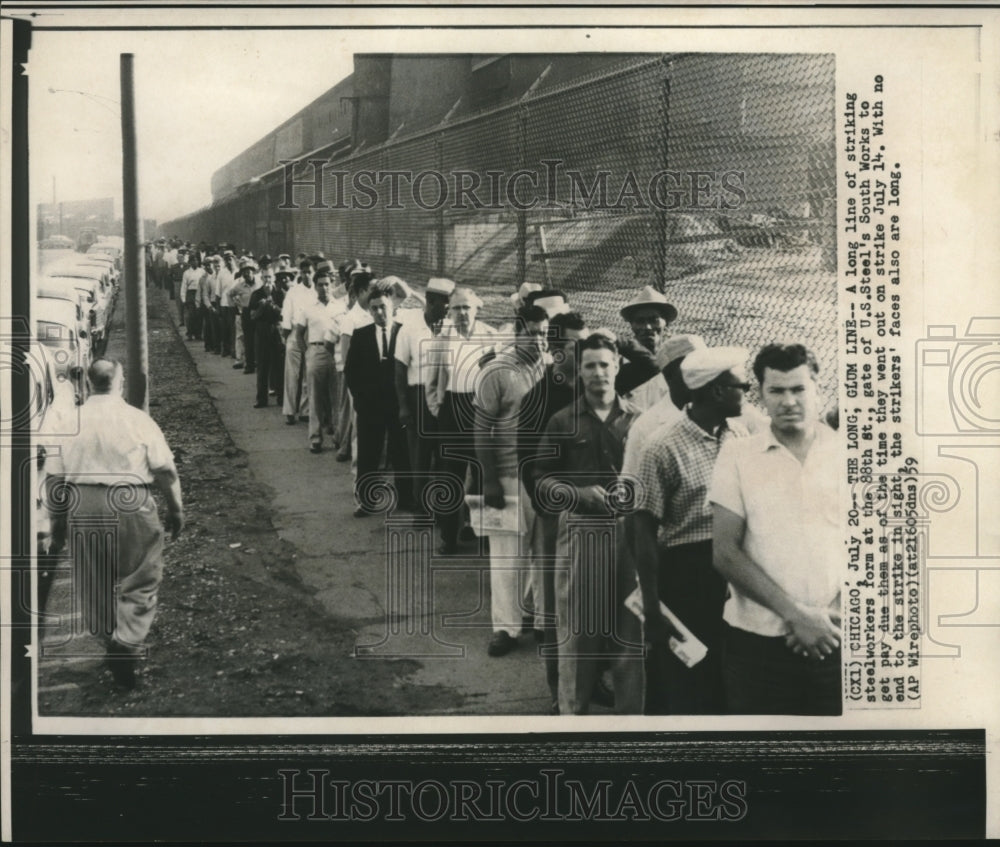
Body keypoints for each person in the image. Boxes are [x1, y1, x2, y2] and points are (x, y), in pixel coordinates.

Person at [710, 343, 841, 715]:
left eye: (798, 389)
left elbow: (877, 547)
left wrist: (828, 618)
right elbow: (725, 553)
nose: (788, 401)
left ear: (817, 388)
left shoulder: (851, 455)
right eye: (777, 391)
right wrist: (797, 616)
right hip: (758, 647)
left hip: (837, 637)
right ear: (762, 395)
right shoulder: (737, 455)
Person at [44, 359, 183, 690]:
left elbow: (53, 480)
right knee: (143, 574)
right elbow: (165, 470)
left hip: (83, 502)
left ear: (88, 384)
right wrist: (176, 509)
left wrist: (58, 521)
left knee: (93, 581)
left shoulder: (69, 421)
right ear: (120, 382)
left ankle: (110, 640)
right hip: (131, 501)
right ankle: (127, 640)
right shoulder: (138, 419)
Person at [633, 346, 751, 714]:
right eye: (741, 386)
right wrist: (651, 606)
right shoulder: (661, 447)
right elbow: (642, 530)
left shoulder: (739, 435)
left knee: (728, 676)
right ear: (716, 391)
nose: (747, 393)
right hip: (687, 578)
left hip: (733, 569)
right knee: (685, 678)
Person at [535, 333, 643, 715]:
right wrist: (578, 493)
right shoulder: (563, 420)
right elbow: (541, 479)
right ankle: (573, 713)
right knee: (579, 630)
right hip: (582, 531)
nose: (598, 372)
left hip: (629, 532)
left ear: (618, 366)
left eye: (604, 364)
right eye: (590, 365)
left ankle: (631, 719)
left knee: (632, 627)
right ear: (579, 372)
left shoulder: (638, 420)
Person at [517, 310, 590, 709]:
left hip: (595, 518)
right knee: (554, 611)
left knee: (593, 605)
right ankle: (557, 692)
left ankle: (590, 681)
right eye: (577, 346)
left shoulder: (594, 391)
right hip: (556, 518)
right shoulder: (538, 398)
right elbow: (528, 465)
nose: (585, 353)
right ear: (558, 351)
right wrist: (554, 509)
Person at [474, 304, 549, 657]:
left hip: (543, 476)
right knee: (505, 556)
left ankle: (541, 620)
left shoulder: (550, 369)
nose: (538, 340)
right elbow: (480, 428)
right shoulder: (497, 370)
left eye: (544, 333)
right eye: (532, 333)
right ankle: (505, 627)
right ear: (517, 333)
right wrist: (488, 480)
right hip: (506, 474)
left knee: (543, 552)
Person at [427, 286, 497, 555]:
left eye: (467, 307)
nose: (462, 313)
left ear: (476, 308)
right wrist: (438, 409)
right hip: (452, 409)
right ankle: (449, 536)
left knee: (483, 471)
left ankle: (484, 534)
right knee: (450, 474)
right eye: (456, 308)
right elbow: (432, 382)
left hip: (482, 410)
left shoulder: (490, 336)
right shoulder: (442, 340)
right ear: (449, 311)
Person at [345, 277, 413, 515]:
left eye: (383, 307)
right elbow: (351, 372)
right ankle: (367, 501)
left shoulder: (404, 332)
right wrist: (361, 402)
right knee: (368, 454)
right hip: (370, 407)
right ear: (369, 311)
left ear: (392, 306)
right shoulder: (361, 335)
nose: (379, 312)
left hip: (398, 405)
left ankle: (406, 499)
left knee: (402, 452)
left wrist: (406, 403)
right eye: (374, 309)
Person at [394, 277, 454, 513]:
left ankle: (442, 508)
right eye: (444, 303)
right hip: (418, 396)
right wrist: (403, 406)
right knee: (420, 455)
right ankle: (421, 508)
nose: (448, 308)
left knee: (444, 455)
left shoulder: (451, 328)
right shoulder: (409, 328)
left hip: (444, 396)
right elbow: (399, 369)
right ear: (430, 302)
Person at [295, 261, 346, 453]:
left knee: (337, 397)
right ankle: (315, 438)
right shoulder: (308, 308)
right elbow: (299, 334)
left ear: (332, 285)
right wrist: (307, 353)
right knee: (315, 398)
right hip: (316, 352)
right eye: (320, 285)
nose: (324, 288)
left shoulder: (340, 307)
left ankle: (339, 437)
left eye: (327, 284)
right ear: (315, 287)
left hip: (336, 354)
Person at [615, 285, 678, 411]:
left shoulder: (675, 357)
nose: (647, 327)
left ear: (666, 323)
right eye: (640, 321)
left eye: (654, 320)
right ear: (632, 325)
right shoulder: (620, 362)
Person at [281, 259, 316, 425]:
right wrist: (286, 335)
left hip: (312, 333)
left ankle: (305, 410)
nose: (307, 275)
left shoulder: (318, 290)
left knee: (308, 372)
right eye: (304, 272)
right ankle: (289, 410)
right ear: (300, 273)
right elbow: (286, 314)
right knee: (291, 373)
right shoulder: (293, 291)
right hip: (295, 332)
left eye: (310, 272)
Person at [249, 267, 285, 408]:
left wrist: (273, 305)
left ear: (273, 278)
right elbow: (252, 316)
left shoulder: (280, 293)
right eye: (265, 277)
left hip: (276, 330)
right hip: (262, 330)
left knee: (279, 365)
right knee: (262, 365)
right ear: (261, 278)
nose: (267, 280)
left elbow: (284, 314)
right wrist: (262, 307)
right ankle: (261, 399)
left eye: (270, 277)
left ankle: (281, 398)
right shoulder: (256, 294)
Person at [181, 252, 205, 341]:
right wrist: (183, 299)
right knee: (191, 314)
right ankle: (190, 333)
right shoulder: (186, 273)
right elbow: (184, 286)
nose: (195, 262)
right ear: (190, 262)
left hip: (200, 293)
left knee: (199, 314)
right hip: (191, 293)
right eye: (193, 261)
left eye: (197, 260)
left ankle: (198, 333)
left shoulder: (202, 271)